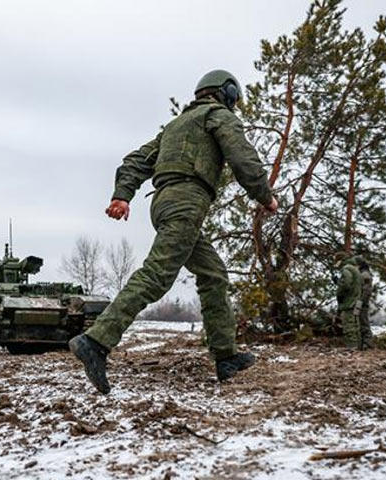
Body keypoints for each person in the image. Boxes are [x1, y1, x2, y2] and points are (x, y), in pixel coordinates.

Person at [69, 69, 278, 394]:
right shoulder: (218, 115)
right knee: (157, 275)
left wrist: (122, 195)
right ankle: (95, 341)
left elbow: (136, 161)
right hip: (187, 202)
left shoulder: (175, 127)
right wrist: (265, 196)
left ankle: (226, 357)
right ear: (227, 93)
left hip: (165, 202)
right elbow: (242, 156)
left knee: (214, 275)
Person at [333, 252, 362, 350]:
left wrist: (339, 293)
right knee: (355, 322)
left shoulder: (346, 269)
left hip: (350, 302)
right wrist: (338, 282)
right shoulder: (355, 269)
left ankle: (352, 346)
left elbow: (346, 285)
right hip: (357, 301)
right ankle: (358, 345)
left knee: (348, 323)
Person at [354, 255, 374, 349]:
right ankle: (363, 343)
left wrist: (360, 301)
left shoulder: (364, 275)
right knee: (361, 322)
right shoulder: (362, 274)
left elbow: (366, 291)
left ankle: (368, 343)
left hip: (362, 302)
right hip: (361, 301)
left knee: (363, 322)